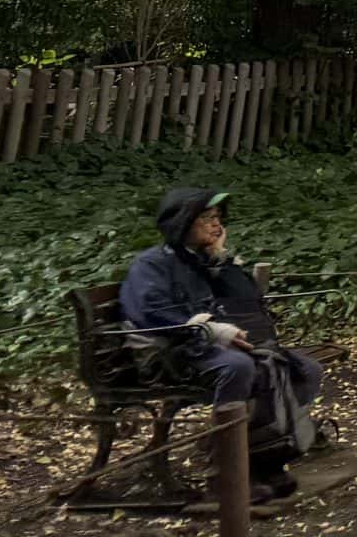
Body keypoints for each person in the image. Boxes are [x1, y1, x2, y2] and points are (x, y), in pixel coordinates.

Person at [120, 190, 323, 501]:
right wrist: (211, 330)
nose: (216, 226)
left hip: (208, 347)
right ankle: (223, 476)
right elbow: (151, 313)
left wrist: (222, 261)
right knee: (240, 368)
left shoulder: (203, 260)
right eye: (207, 219)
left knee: (305, 369)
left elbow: (247, 301)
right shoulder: (151, 264)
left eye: (218, 219)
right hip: (170, 354)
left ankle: (263, 460)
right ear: (182, 222)